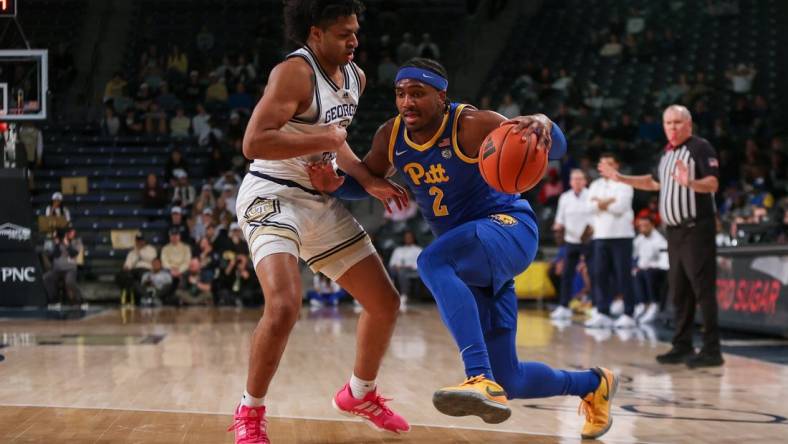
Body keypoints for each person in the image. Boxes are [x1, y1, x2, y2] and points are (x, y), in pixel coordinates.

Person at [308, 58, 617, 440]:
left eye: (418, 94)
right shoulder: (392, 136)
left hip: (509, 229)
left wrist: (543, 121)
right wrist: (337, 183)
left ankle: (477, 376)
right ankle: (592, 383)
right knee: (512, 379)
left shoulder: (474, 124)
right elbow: (367, 177)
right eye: (401, 94)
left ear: (441, 96)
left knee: (432, 261)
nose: (407, 102)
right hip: (471, 256)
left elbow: (558, 148)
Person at [228, 1, 411, 442]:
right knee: (286, 304)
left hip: (319, 201)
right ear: (315, 34)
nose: (354, 40)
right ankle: (250, 411)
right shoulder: (295, 72)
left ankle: (359, 393)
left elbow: (337, 144)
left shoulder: (355, 77)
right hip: (272, 194)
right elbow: (254, 142)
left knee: (385, 303)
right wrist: (324, 139)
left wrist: (366, 180)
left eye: (355, 31)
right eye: (343, 33)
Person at [598, 104, 724, 368]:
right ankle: (682, 345)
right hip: (674, 233)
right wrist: (620, 178)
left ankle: (712, 350)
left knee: (702, 290)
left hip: (696, 229)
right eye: (668, 123)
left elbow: (713, 183)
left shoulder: (700, 148)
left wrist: (689, 182)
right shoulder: (666, 154)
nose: (673, 128)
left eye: (678, 122)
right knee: (679, 292)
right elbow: (654, 183)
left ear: (689, 124)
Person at [586, 153, 637, 329]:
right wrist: (608, 201)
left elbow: (620, 207)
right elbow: (589, 207)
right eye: (602, 164)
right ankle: (602, 312)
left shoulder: (625, 183)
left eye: (609, 163)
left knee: (623, 276)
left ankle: (629, 313)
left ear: (616, 166)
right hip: (600, 236)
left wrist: (600, 203)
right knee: (599, 275)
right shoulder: (595, 184)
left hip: (621, 236)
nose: (605, 167)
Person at [550, 169, 593, 319]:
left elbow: (595, 219)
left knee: (593, 273)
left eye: (580, 179)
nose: (577, 182)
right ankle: (563, 306)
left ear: (585, 181)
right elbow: (559, 220)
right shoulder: (565, 198)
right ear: (570, 181)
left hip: (589, 241)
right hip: (570, 241)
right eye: (574, 179)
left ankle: (595, 305)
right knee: (567, 274)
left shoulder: (591, 195)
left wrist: (590, 232)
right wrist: (558, 229)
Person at [632, 216, 668, 324]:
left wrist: (653, 265)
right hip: (643, 269)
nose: (642, 228)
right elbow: (634, 256)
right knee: (636, 273)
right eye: (640, 226)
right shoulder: (639, 239)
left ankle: (654, 305)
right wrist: (635, 266)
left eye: (645, 226)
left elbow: (664, 259)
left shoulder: (659, 240)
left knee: (648, 273)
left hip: (658, 270)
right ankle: (641, 305)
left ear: (652, 226)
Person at [387, 230, 422, 304]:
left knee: (402, 271)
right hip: (396, 269)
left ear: (413, 238)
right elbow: (392, 262)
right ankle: (389, 293)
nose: (408, 239)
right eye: (406, 237)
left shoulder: (418, 249)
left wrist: (407, 266)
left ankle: (404, 295)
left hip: (412, 270)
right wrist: (396, 266)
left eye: (409, 237)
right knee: (390, 269)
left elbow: (419, 264)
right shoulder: (398, 249)